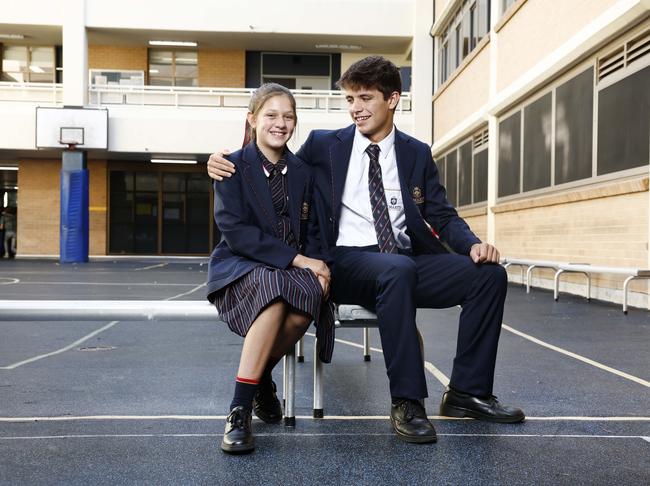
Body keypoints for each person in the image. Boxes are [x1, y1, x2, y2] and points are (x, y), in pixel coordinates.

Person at [208, 57, 524, 444]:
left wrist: (472, 244)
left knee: (488, 275)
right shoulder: (324, 145)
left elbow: (440, 213)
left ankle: (466, 393)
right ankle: (407, 401)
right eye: (349, 99)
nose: (355, 108)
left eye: (365, 98)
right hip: (347, 260)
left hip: (407, 260)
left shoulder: (415, 153)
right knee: (396, 270)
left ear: (393, 99)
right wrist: (221, 161)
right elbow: (270, 157)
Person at [206, 83, 334, 454]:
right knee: (274, 295)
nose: (281, 123)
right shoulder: (231, 166)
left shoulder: (303, 173)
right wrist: (300, 261)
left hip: (293, 267)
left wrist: (320, 267)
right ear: (252, 119)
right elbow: (237, 232)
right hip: (241, 264)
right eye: (272, 115)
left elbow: (312, 232)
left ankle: (259, 378)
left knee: (306, 301)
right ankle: (239, 410)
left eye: (288, 116)